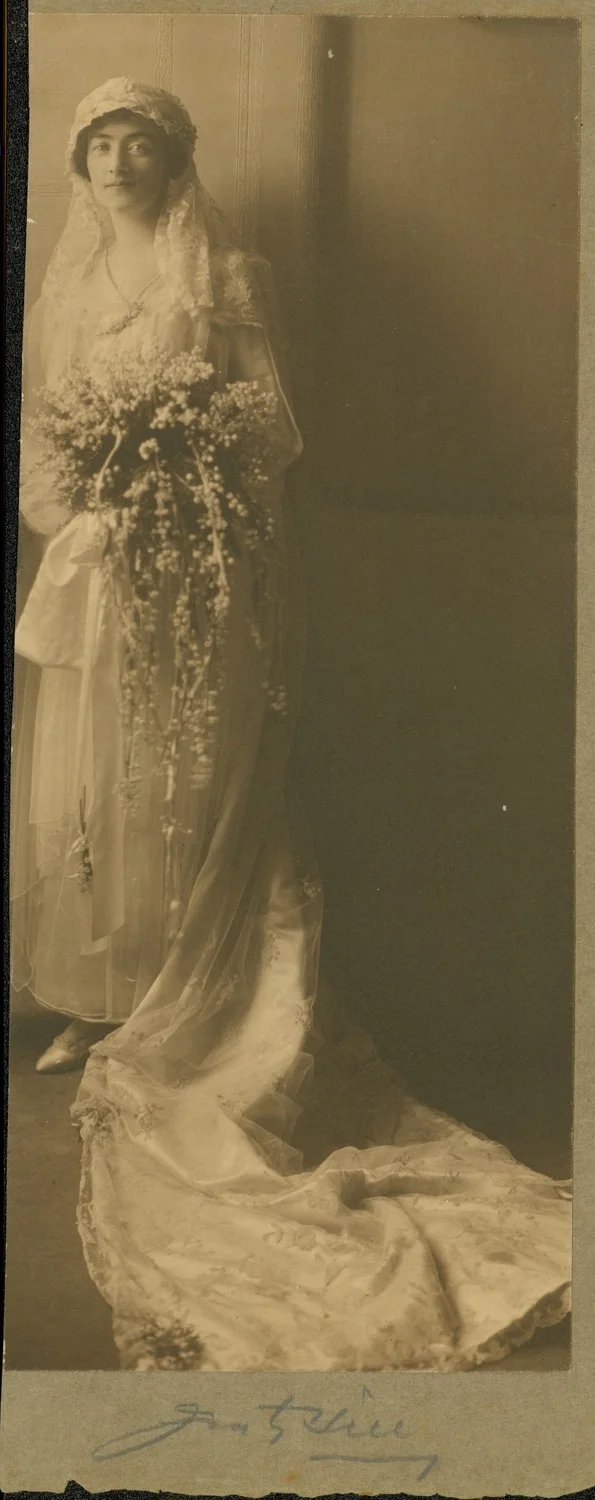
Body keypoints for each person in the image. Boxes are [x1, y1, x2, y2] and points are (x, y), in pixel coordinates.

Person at [12, 78, 571, 1372]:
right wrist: (80, 508)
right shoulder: (66, 283)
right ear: (81, 164)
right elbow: (41, 431)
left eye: (139, 143)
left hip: (204, 574)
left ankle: (187, 1004)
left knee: (184, 784)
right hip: (102, 566)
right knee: (93, 786)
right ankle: (103, 1003)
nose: (117, 162)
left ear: (175, 161)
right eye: (100, 144)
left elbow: (269, 429)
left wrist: (181, 473)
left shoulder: (228, 277)